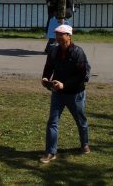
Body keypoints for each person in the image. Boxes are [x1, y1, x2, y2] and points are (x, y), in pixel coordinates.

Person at [39, 24, 90, 164]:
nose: (59, 37)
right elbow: (48, 67)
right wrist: (45, 78)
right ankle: (50, 152)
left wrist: (64, 84)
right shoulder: (53, 51)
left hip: (75, 94)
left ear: (69, 36)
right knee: (52, 122)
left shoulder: (78, 52)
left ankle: (84, 144)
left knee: (81, 120)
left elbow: (82, 75)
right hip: (58, 93)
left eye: (62, 34)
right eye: (57, 34)